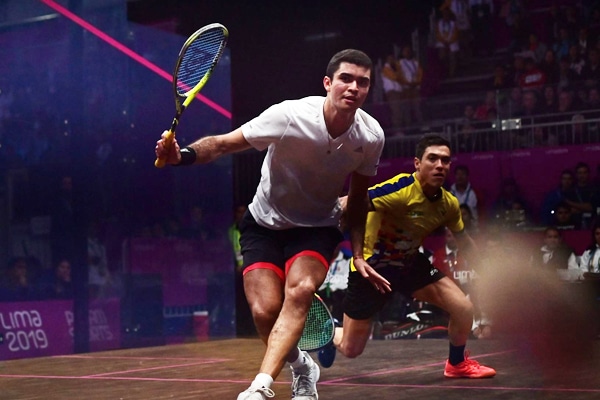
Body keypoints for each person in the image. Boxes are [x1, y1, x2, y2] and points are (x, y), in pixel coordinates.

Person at [154, 49, 387, 400]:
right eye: (346, 79)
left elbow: (357, 200)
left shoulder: (370, 137)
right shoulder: (289, 116)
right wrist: (182, 156)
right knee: (264, 311)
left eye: (363, 82)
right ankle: (302, 366)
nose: (354, 87)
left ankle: (260, 387)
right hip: (264, 222)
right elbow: (223, 144)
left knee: (301, 290)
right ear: (328, 83)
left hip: (317, 226)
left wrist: (358, 254)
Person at [318, 135, 496, 379]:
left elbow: (463, 240)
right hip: (371, 270)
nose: (439, 165)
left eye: (445, 160)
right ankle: (331, 332)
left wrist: (488, 273)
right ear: (417, 163)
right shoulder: (400, 189)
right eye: (432, 159)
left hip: (410, 264)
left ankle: (456, 363)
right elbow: (350, 202)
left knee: (463, 308)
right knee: (351, 349)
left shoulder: (448, 204)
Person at [380, 54, 403, 129]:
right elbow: (395, 77)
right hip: (392, 92)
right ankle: (397, 129)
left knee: (400, 110)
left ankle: (401, 127)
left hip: (398, 91)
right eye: (390, 59)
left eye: (392, 59)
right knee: (396, 110)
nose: (392, 61)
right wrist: (399, 70)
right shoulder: (386, 68)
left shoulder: (394, 68)